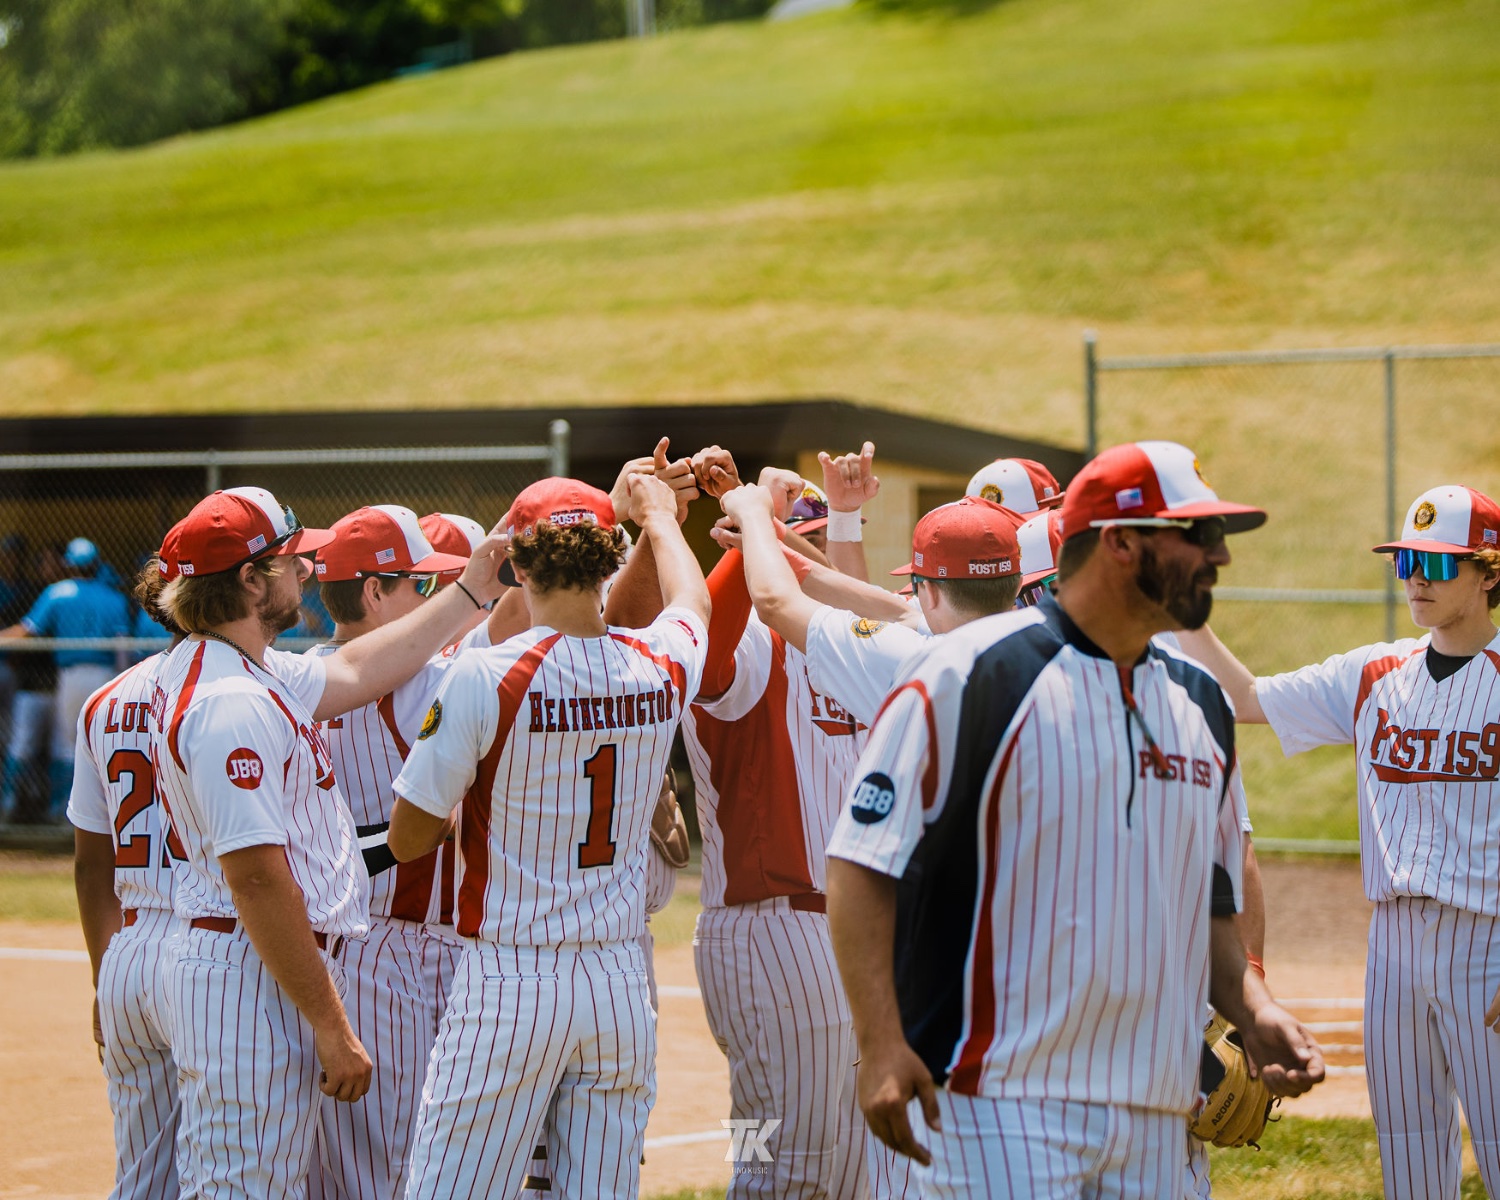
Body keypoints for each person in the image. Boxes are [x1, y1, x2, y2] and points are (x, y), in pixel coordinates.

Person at [825, 440, 1324, 1198]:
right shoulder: (971, 673)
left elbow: (1211, 904)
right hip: (998, 1106)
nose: (1218, 556)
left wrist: (1253, 1008)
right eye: (1196, 535)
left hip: (1158, 1112)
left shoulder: (1201, 707)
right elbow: (862, 864)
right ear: (1120, 543)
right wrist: (881, 1043)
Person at [150, 485, 510, 1199]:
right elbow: (257, 879)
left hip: (259, 962)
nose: (309, 571)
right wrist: (331, 1023)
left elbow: (359, 668)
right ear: (252, 581)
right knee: (242, 1186)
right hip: (250, 970)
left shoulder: (246, 667)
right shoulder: (233, 702)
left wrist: (471, 588)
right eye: (291, 560)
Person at [387, 473, 709, 1199]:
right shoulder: (658, 662)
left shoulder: (484, 675)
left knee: (451, 1189)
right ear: (608, 560)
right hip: (619, 976)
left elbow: (408, 841)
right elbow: (695, 603)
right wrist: (661, 518)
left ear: (517, 566)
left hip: (512, 974)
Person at [1175, 483, 1500, 1200]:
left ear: (1489, 572)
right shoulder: (1374, 674)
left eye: (1439, 563)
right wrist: (1186, 615)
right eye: (1406, 559)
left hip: (1490, 941)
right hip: (1391, 944)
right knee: (1409, 1155)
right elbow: (1247, 698)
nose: (1417, 575)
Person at [304, 503, 509, 1200]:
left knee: (365, 1162)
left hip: (361, 945)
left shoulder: (303, 676)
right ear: (372, 592)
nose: (434, 603)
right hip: (393, 950)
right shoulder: (431, 677)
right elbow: (507, 632)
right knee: (394, 1165)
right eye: (419, 587)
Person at [69, 558, 187, 1200]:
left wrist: (103, 975)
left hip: (132, 944)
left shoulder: (106, 699)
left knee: (142, 1171)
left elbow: (93, 862)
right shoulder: (250, 686)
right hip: (214, 946)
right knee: (227, 1162)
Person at [0, 536, 131, 818]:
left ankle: (64, 812)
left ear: (70, 565)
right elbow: (123, 650)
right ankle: (105, 812)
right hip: (108, 677)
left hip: (72, 677)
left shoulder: (58, 591)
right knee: (104, 743)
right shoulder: (114, 597)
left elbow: (27, 629)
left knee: (69, 745)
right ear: (95, 565)